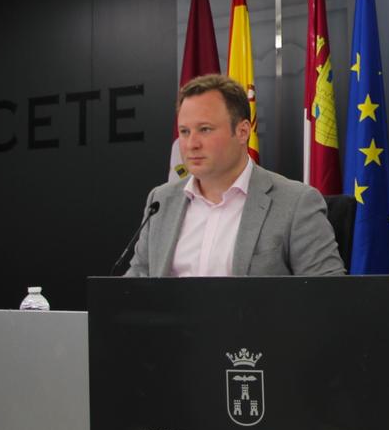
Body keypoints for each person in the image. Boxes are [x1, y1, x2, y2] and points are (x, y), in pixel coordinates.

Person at [126, 74, 345, 278]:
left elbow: (327, 296)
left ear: (242, 132)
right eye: (185, 131)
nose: (191, 144)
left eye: (205, 129)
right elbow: (131, 289)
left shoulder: (296, 203)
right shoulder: (161, 201)